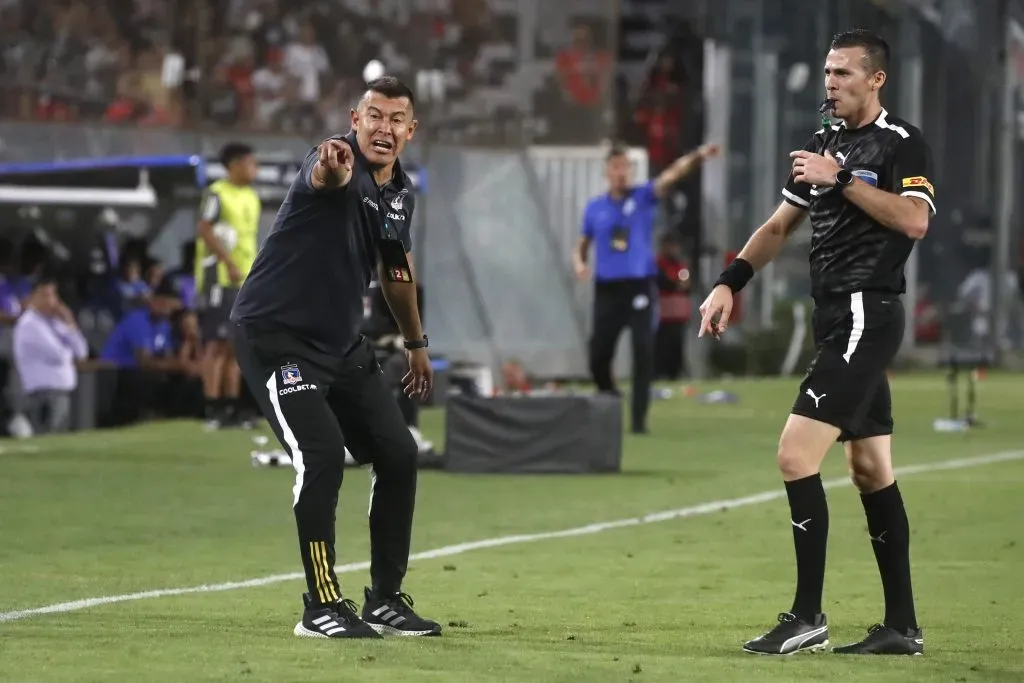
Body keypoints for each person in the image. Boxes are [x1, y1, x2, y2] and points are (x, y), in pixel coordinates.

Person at [699, 30, 934, 656]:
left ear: (875, 79)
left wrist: (843, 180)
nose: (830, 83)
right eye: (827, 72)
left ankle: (806, 616)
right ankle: (902, 628)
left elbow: (915, 220)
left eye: (842, 73)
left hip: (866, 312)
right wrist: (729, 283)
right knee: (869, 468)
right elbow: (779, 226)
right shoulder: (821, 144)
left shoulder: (900, 143)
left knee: (794, 456)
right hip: (833, 316)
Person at [230, 76, 441, 640]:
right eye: (375, 115)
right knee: (322, 454)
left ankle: (386, 600)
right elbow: (326, 175)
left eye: (397, 119)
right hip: (276, 337)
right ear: (354, 118)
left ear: (410, 130)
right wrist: (332, 170)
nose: (384, 127)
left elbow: (396, 276)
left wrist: (417, 345)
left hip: (343, 346)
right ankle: (320, 605)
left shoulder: (400, 193)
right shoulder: (332, 161)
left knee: (398, 452)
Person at [573, 142, 717, 433]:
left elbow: (672, 175)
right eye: (615, 167)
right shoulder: (596, 208)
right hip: (607, 289)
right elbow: (582, 244)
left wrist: (698, 155)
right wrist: (579, 263)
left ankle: (638, 421)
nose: (621, 173)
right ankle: (609, 396)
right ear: (606, 172)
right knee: (598, 354)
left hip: (638, 287)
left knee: (643, 350)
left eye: (625, 167)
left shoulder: (643, 197)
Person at [195, 143, 260, 429]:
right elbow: (204, 229)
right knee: (216, 345)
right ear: (234, 164)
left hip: (246, 279)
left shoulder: (251, 197)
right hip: (220, 279)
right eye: (250, 163)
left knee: (236, 345)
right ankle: (212, 407)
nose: (254, 169)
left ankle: (232, 407)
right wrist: (228, 262)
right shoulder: (217, 194)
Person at [12, 277, 88, 434]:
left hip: (61, 392)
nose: (50, 300)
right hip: (43, 393)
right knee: (47, 437)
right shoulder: (30, 323)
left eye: (52, 295)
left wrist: (69, 323)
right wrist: (69, 351)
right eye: (44, 295)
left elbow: (81, 352)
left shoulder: (55, 322)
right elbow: (59, 355)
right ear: (32, 298)